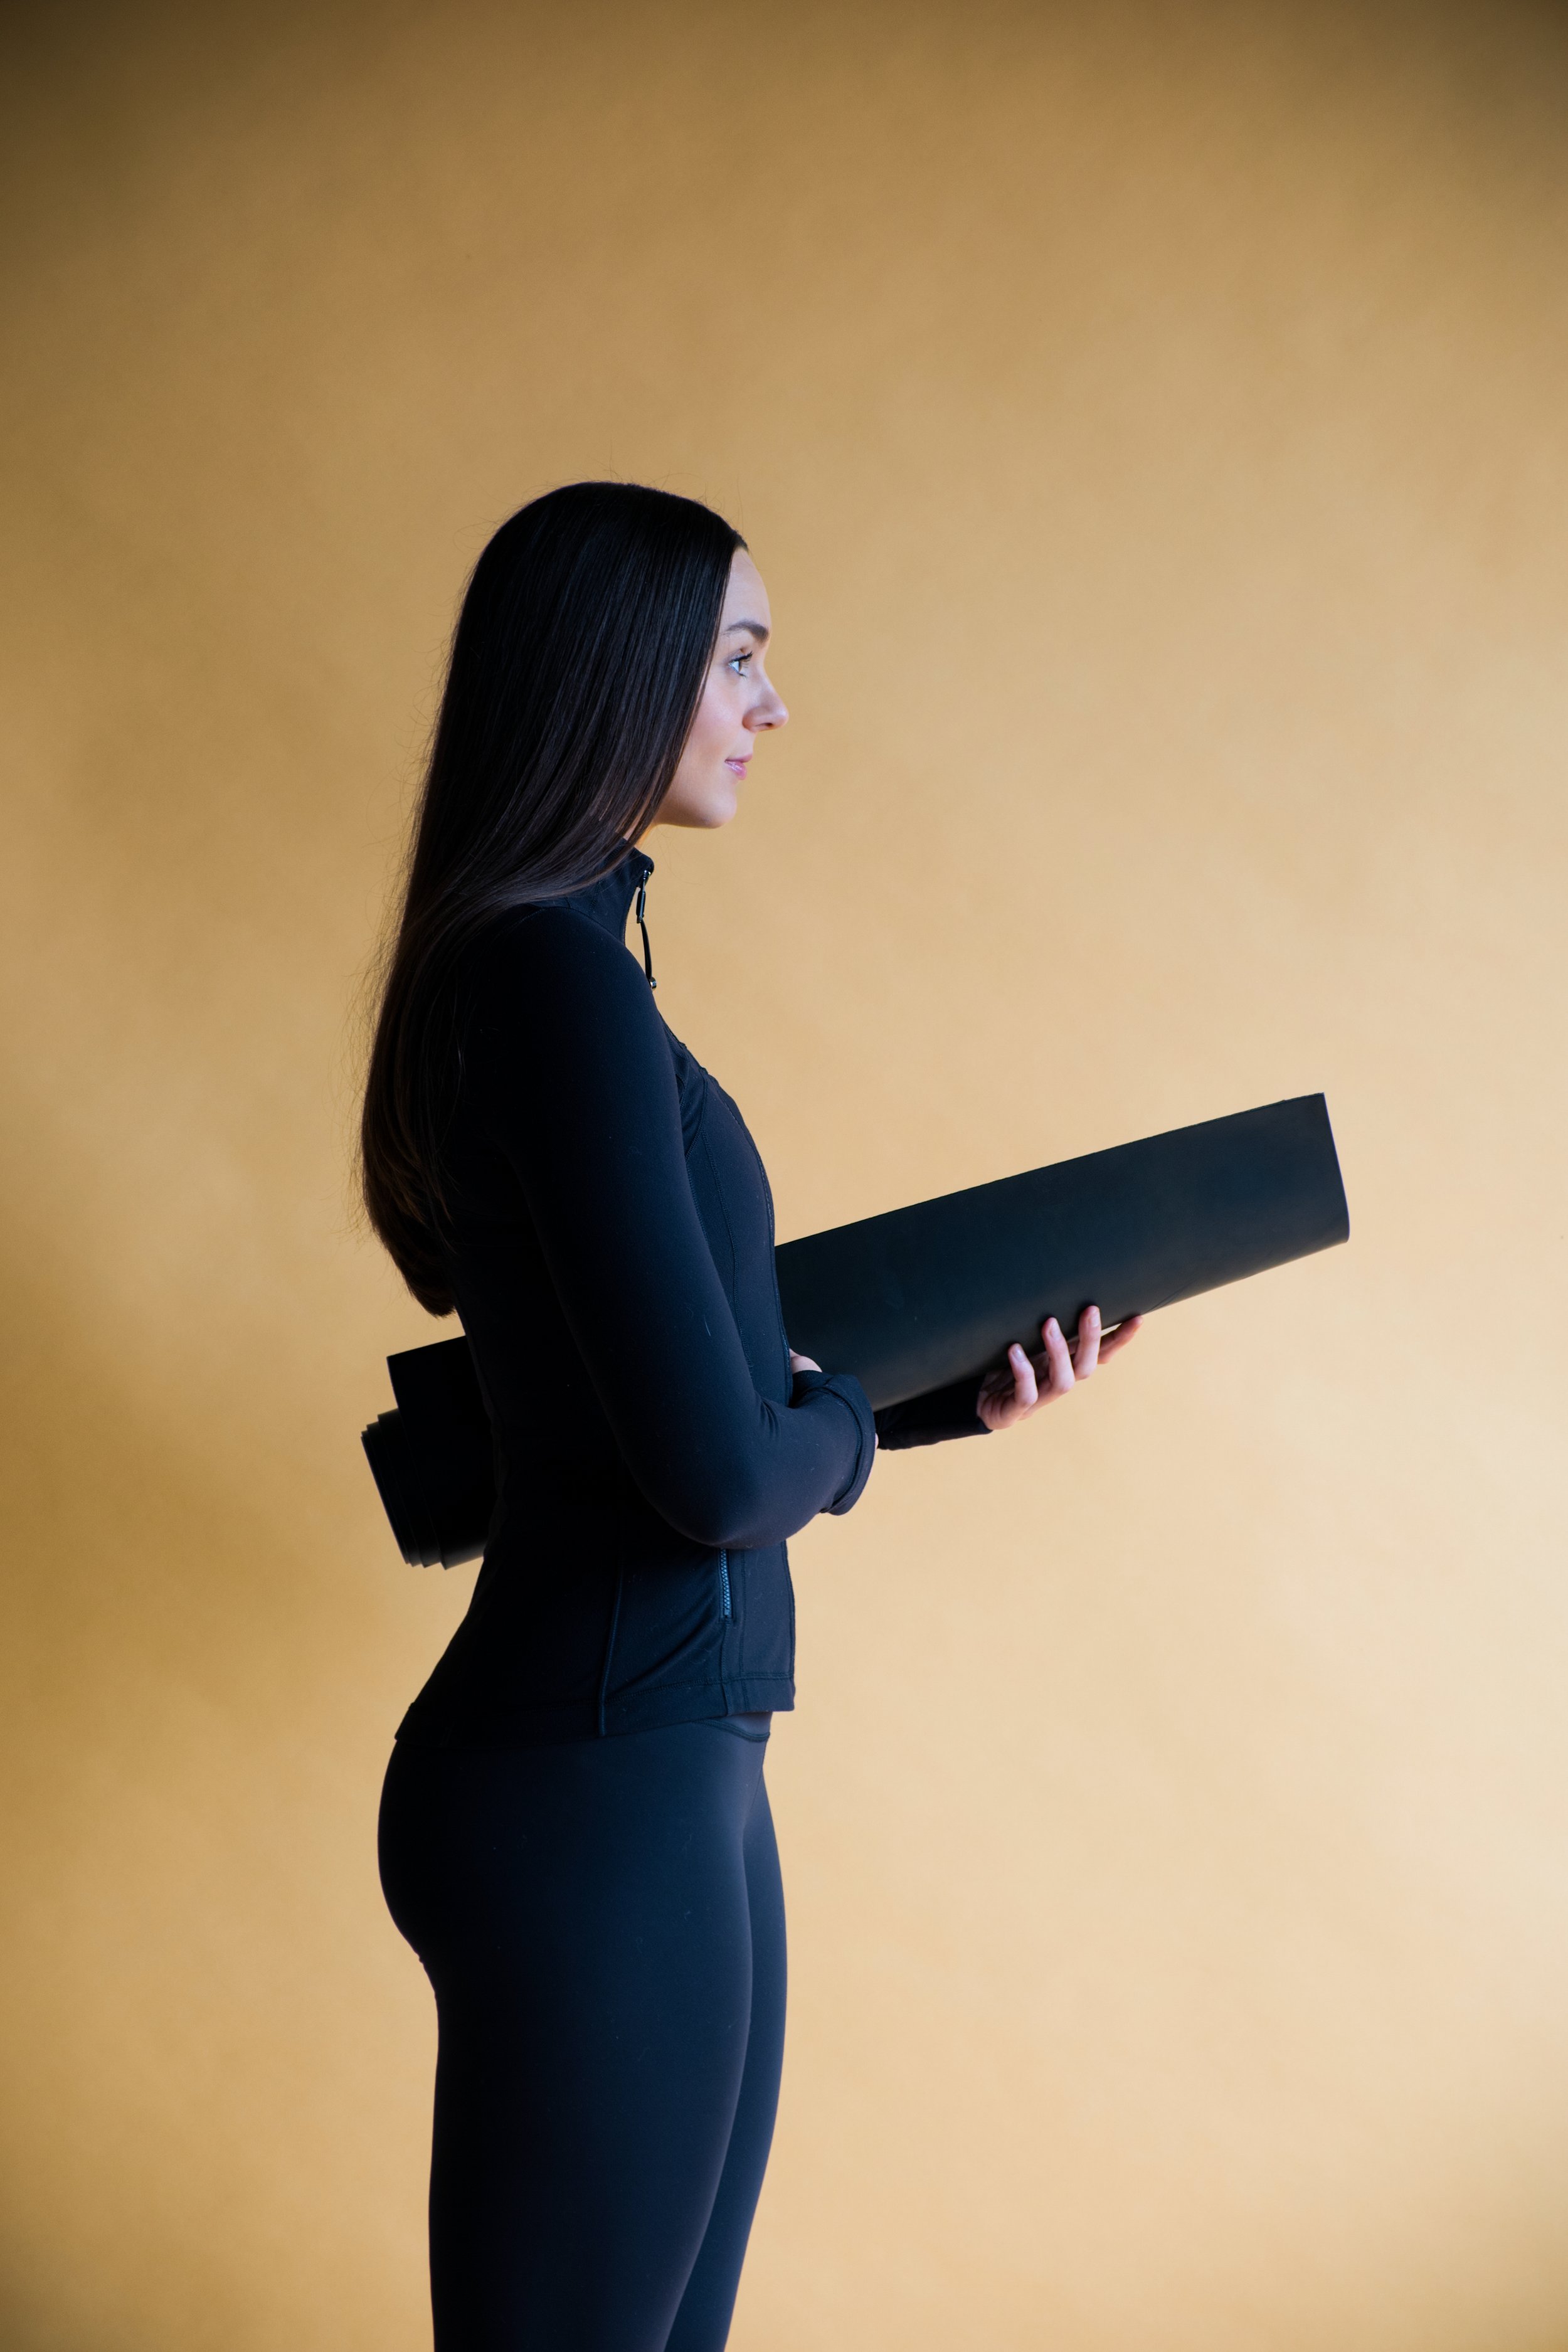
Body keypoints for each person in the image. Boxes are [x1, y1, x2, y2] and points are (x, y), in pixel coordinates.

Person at [360, 482, 1140, 2352]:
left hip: (651, 1765)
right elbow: (721, 1468)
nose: (769, 705)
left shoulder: (560, 973)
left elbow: (666, 1408)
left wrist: (946, 1399)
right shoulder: (551, 984)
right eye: (736, 655)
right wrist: (855, 1430)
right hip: (599, 1784)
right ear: (613, 673)